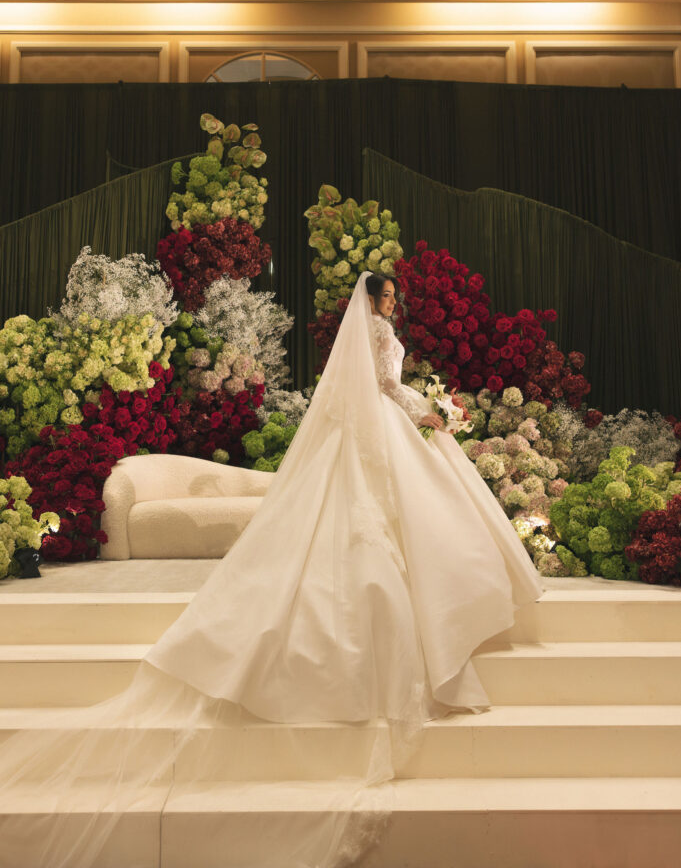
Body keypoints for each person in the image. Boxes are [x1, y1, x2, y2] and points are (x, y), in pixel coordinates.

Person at [0, 270, 545, 868]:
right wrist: (430, 410)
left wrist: (426, 408)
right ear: (372, 300)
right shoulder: (378, 331)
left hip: (374, 428)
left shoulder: (367, 332)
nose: (392, 303)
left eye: (393, 296)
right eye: (386, 296)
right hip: (388, 424)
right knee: (404, 515)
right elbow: (388, 387)